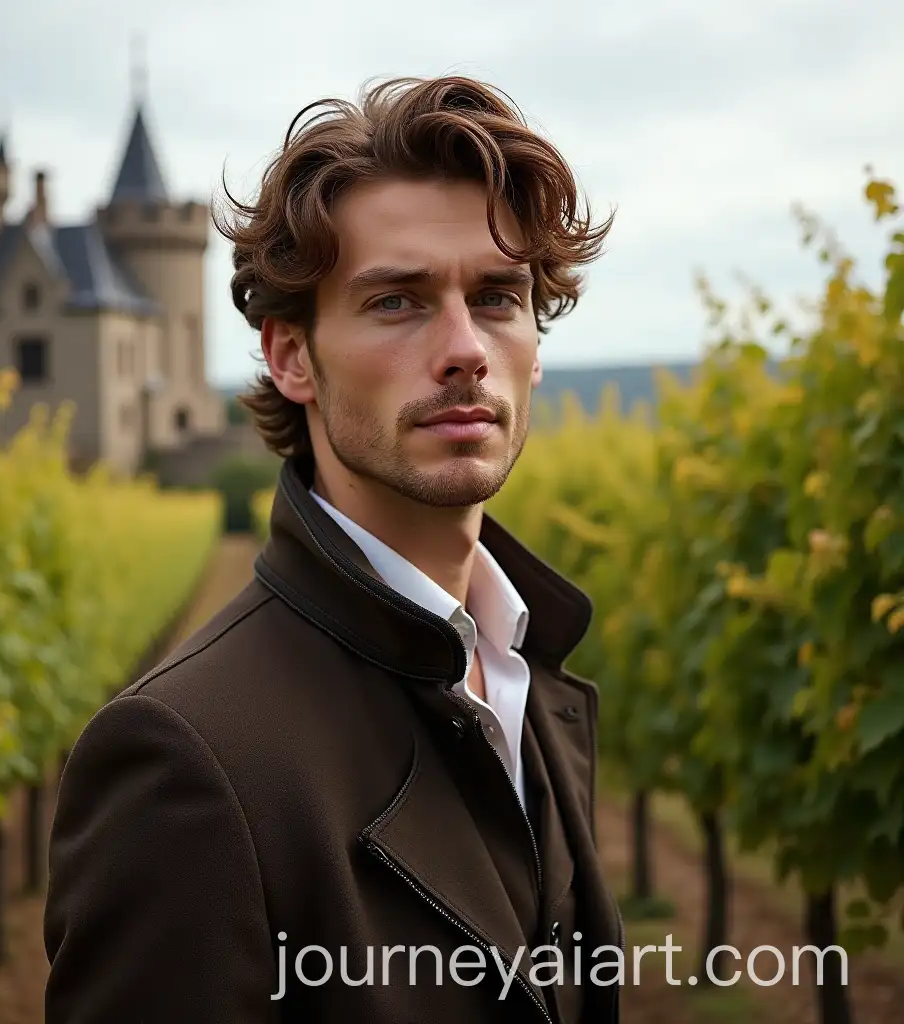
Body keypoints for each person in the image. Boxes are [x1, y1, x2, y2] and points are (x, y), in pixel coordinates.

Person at [44, 74, 624, 1023]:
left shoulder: (530, 678)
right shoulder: (183, 763)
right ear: (290, 357)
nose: (465, 347)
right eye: (397, 301)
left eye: (497, 295)